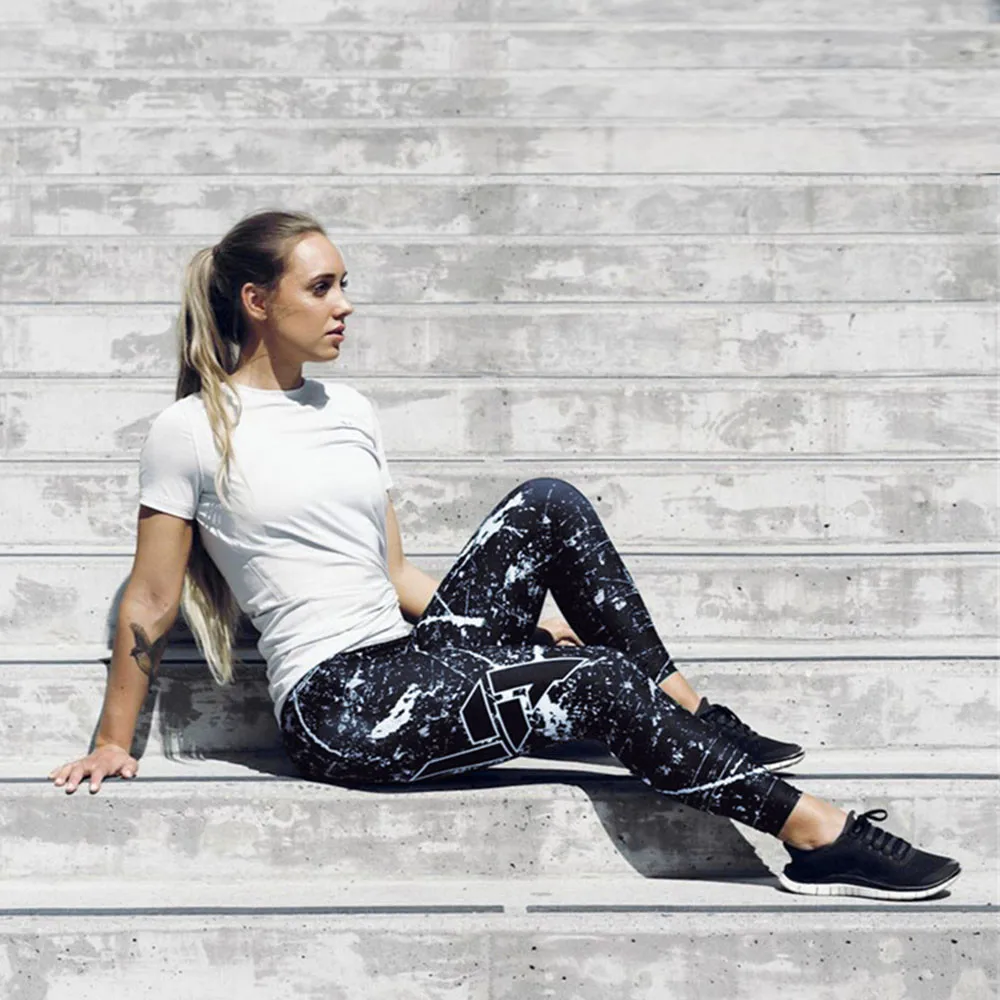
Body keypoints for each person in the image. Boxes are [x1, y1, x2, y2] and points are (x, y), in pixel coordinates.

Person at [48, 210, 962, 901]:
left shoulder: (349, 410)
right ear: (257, 301)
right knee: (600, 680)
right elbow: (151, 599)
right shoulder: (191, 429)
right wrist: (113, 741)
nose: (345, 305)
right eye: (321, 288)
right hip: (341, 706)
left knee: (548, 504)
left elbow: (396, 575)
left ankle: (700, 714)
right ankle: (816, 835)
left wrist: (524, 636)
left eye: (344, 284)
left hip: (413, 655)